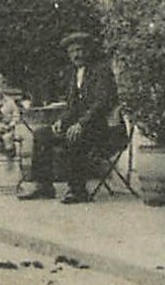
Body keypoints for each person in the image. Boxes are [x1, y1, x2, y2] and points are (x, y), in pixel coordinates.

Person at [18, 31, 128, 204]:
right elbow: (72, 106)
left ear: (88, 51)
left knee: (75, 136)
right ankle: (44, 186)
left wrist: (81, 124)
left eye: (80, 50)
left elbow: (102, 103)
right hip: (82, 126)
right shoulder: (72, 74)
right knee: (41, 134)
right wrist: (61, 120)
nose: (77, 55)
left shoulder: (101, 72)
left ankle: (77, 190)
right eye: (73, 52)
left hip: (105, 130)